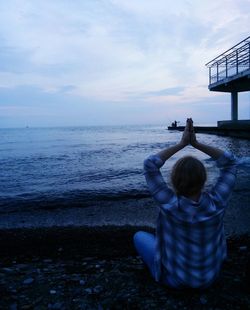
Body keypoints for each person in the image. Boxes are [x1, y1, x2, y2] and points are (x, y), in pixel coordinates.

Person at [133, 118, 237, 289]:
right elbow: (230, 162)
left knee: (139, 236)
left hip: (176, 281)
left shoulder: (170, 204)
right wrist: (196, 144)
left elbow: (150, 165)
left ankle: (162, 270)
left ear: (174, 180)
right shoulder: (217, 202)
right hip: (210, 278)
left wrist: (182, 143)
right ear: (204, 179)